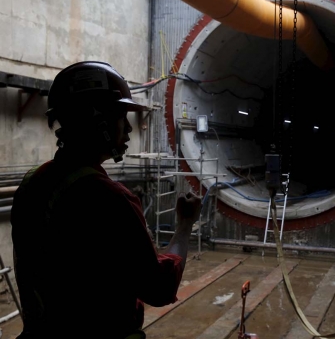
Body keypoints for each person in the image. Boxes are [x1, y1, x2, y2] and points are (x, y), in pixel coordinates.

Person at [10, 61, 202, 339]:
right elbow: (159, 288)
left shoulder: (32, 183)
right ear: (98, 120)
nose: (128, 130)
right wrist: (184, 225)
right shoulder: (109, 198)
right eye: (121, 117)